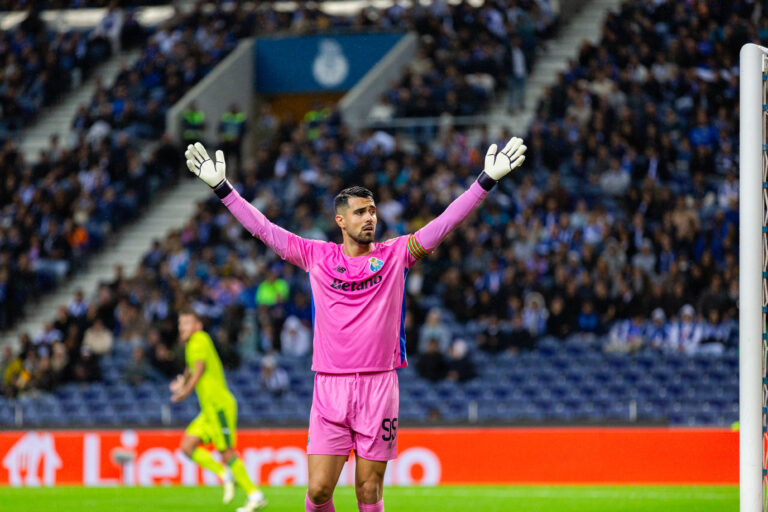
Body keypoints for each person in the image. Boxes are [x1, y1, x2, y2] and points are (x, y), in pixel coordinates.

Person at [185, 135, 526, 512]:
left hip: (379, 386)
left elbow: (444, 224)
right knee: (317, 491)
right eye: (361, 212)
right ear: (340, 220)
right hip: (329, 386)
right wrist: (223, 188)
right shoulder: (315, 256)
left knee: (368, 491)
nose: (370, 218)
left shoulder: (397, 254)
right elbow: (264, 229)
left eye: (373, 211)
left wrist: (485, 183)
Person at [170, 309, 266, 511]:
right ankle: (224, 474)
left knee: (227, 452)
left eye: (187, 323)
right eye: (181, 323)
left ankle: (255, 495)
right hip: (208, 410)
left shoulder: (200, 339)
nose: (182, 327)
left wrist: (184, 392)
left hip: (219, 405)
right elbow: (191, 368)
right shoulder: (191, 345)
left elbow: (199, 371)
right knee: (187, 446)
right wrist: (182, 381)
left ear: (198, 326)